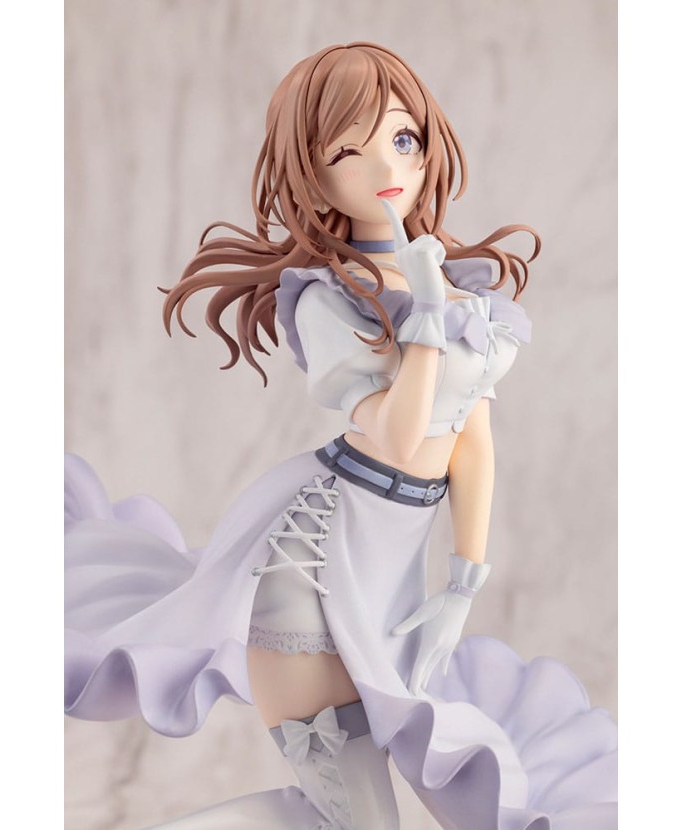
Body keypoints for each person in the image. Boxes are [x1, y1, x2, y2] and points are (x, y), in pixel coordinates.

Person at [65, 43, 617, 829]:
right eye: (346, 152)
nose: (385, 166)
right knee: (356, 811)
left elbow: (470, 440)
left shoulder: (464, 293)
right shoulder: (327, 300)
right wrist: (424, 322)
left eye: (402, 137)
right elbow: (397, 435)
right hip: (313, 574)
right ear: (312, 177)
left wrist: (464, 579)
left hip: (391, 580)